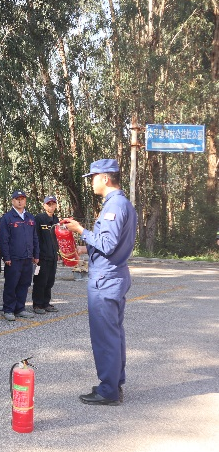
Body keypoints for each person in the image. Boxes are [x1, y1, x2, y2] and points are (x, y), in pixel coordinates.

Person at [63, 159, 137, 406]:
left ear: (105, 178)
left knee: (105, 336)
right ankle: (114, 383)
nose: (91, 182)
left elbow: (107, 244)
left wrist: (80, 230)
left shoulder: (114, 205)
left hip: (106, 279)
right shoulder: (122, 203)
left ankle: (108, 391)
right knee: (114, 334)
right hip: (113, 275)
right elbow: (112, 243)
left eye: (93, 177)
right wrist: (85, 249)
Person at [0, 190, 39, 321]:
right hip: (14, 258)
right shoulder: (7, 218)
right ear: (13, 201)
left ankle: (20, 308)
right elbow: (4, 240)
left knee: (24, 284)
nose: (20, 201)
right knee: (11, 284)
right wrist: (6, 257)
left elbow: (35, 237)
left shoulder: (30, 217)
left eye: (22, 199)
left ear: (25, 200)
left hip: (27, 257)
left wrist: (36, 254)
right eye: (17, 199)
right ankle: (8, 309)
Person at [32, 195, 60, 314]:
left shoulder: (56, 220)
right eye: (49, 204)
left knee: (50, 280)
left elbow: (58, 238)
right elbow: (35, 237)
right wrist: (35, 255)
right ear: (44, 205)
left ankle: (46, 303)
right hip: (41, 257)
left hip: (53, 256)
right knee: (40, 280)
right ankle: (37, 304)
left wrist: (58, 253)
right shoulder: (39, 218)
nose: (51, 206)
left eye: (53, 204)